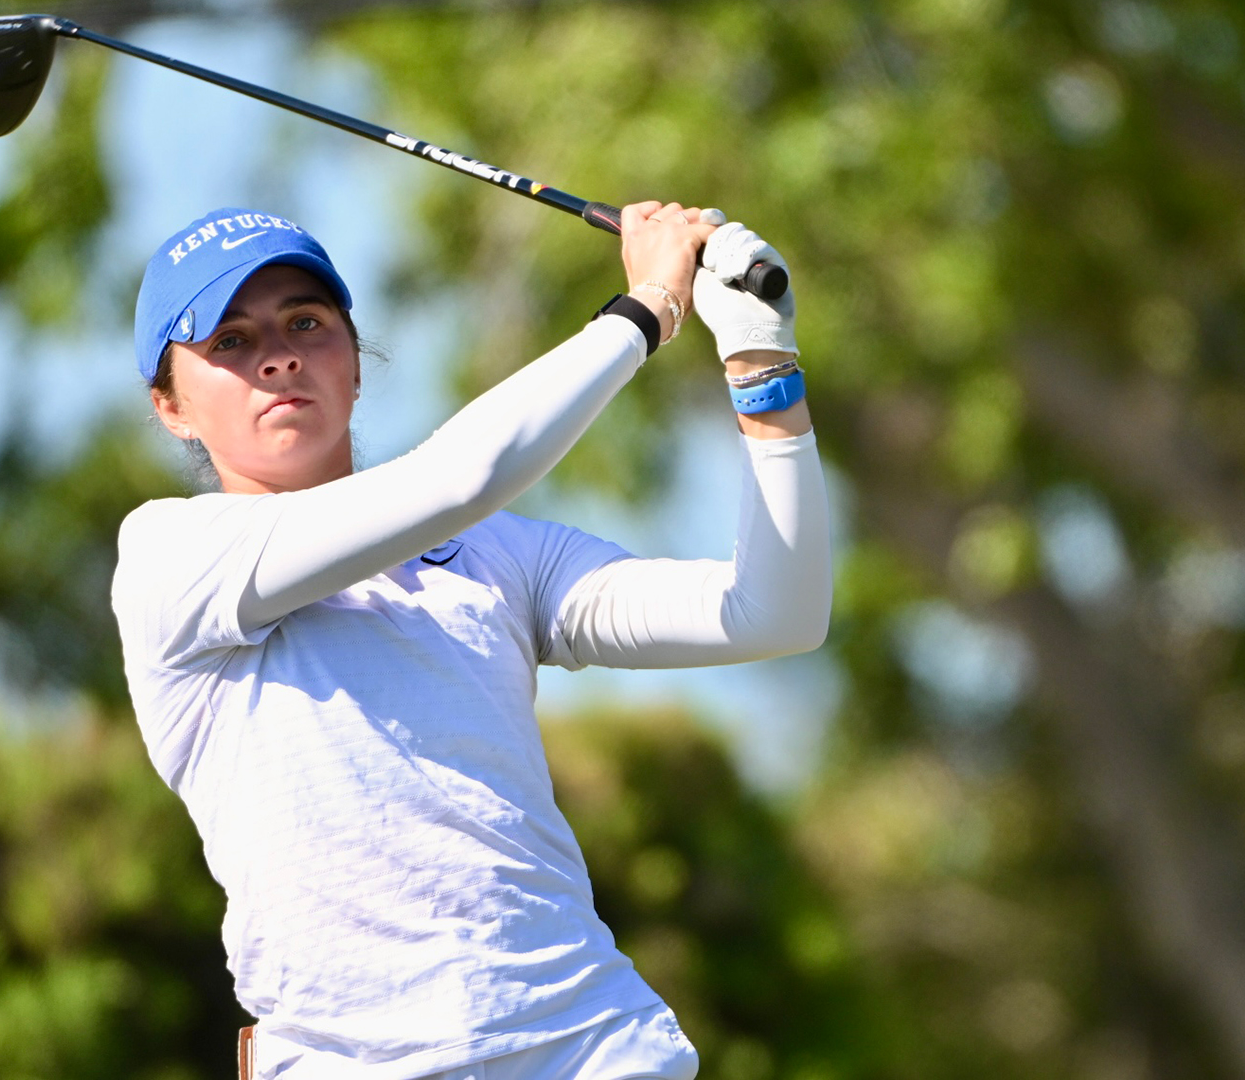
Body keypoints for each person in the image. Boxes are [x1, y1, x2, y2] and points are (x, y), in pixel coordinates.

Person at [111, 200, 831, 1080]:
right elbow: (459, 477)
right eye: (230, 341)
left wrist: (761, 359)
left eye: (306, 322)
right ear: (171, 407)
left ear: (355, 365)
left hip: (589, 1048)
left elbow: (775, 612)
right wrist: (647, 307)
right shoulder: (172, 556)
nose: (279, 355)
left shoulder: (498, 555)